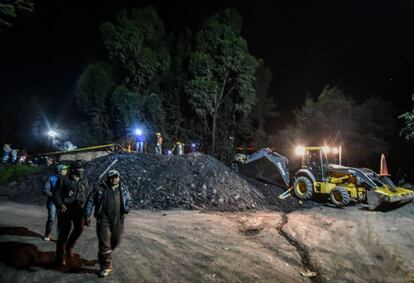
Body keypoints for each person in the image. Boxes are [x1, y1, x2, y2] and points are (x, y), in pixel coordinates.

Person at [84, 169, 132, 277]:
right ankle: (106, 266)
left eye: (116, 177)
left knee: (116, 240)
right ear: (108, 178)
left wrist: (127, 208)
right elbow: (90, 201)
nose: (114, 179)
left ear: (119, 178)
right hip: (103, 219)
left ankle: (104, 256)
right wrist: (87, 215)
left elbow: (129, 200)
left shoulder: (123, 189)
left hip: (118, 219)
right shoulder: (99, 189)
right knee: (104, 243)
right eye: (112, 177)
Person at [53, 161, 89, 266]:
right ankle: (60, 256)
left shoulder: (84, 179)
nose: (82, 170)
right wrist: (60, 204)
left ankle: (69, 246)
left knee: (79, 229)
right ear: (73, 169)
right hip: (66, 209)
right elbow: (56, 194)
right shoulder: (63, 179)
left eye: (82, 168)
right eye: (79, 168)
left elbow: (86, 194)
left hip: (79, 210)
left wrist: (87, 212)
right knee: (63, 233)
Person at [41, 164, 69, 241]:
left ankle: (60, 237)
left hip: (62, 203)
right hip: (53, 203)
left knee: (62, 220)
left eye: (66, 169)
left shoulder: (67, 179)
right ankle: (47, 234)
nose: (66, 171)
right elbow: (45, 190)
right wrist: (55, 196)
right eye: (64, 169)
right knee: (51, 218)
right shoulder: (51, 179)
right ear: (59, 170)